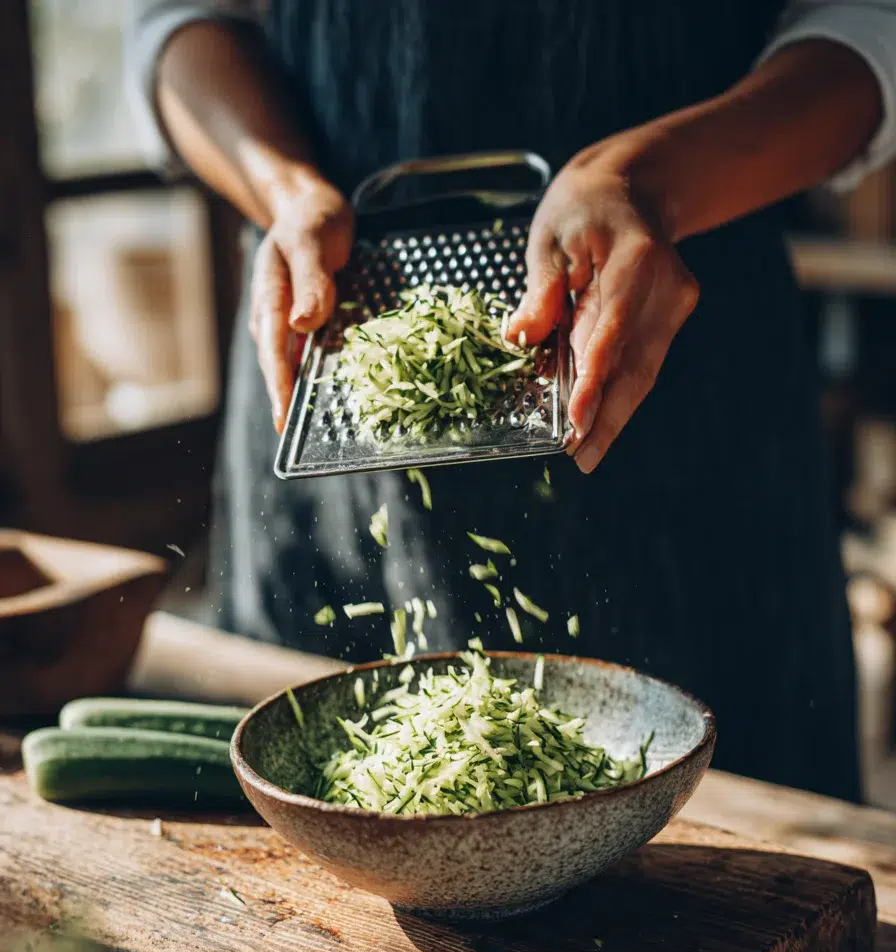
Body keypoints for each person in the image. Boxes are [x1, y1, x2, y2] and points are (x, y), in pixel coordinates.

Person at [127, 1, 896, 801]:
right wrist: (285, 192)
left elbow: (870, 25)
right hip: (338, 345)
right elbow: (179, 20)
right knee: (332, 795)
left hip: (679, 363)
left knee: (735, 847)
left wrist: (651, 182)